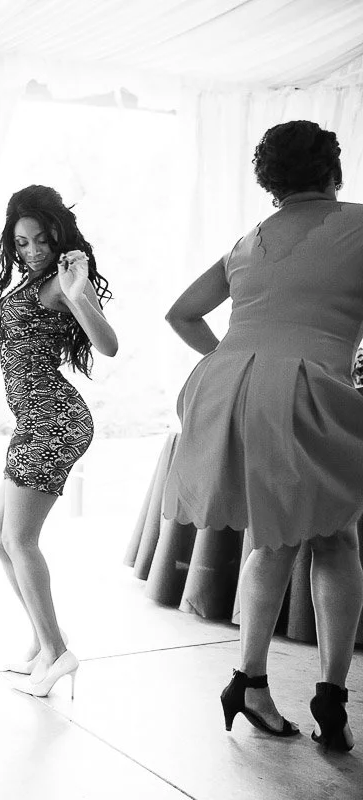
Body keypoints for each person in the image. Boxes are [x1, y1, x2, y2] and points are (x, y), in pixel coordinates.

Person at [163, 120, 363, 753]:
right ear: (332, 169)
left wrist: (241, 357)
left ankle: (249, 681)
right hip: (307, 389)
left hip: (228, 389)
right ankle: (329, 695)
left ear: (270, 181)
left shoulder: (247, 242)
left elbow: (181, 313)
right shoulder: (359, 227)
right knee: (335, 538)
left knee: (270, 536)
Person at [0, 185, 118, 698]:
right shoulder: (30, 283)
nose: (31, 250)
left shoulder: (63, 283)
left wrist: (79, 294)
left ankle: (58, 652)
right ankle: (41, 639)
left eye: (39, 240)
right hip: (32, 421)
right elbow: (17, 347)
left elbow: (109, 344)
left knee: (18, 540)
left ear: (57, 233)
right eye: (21, 242)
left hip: (54, 421)